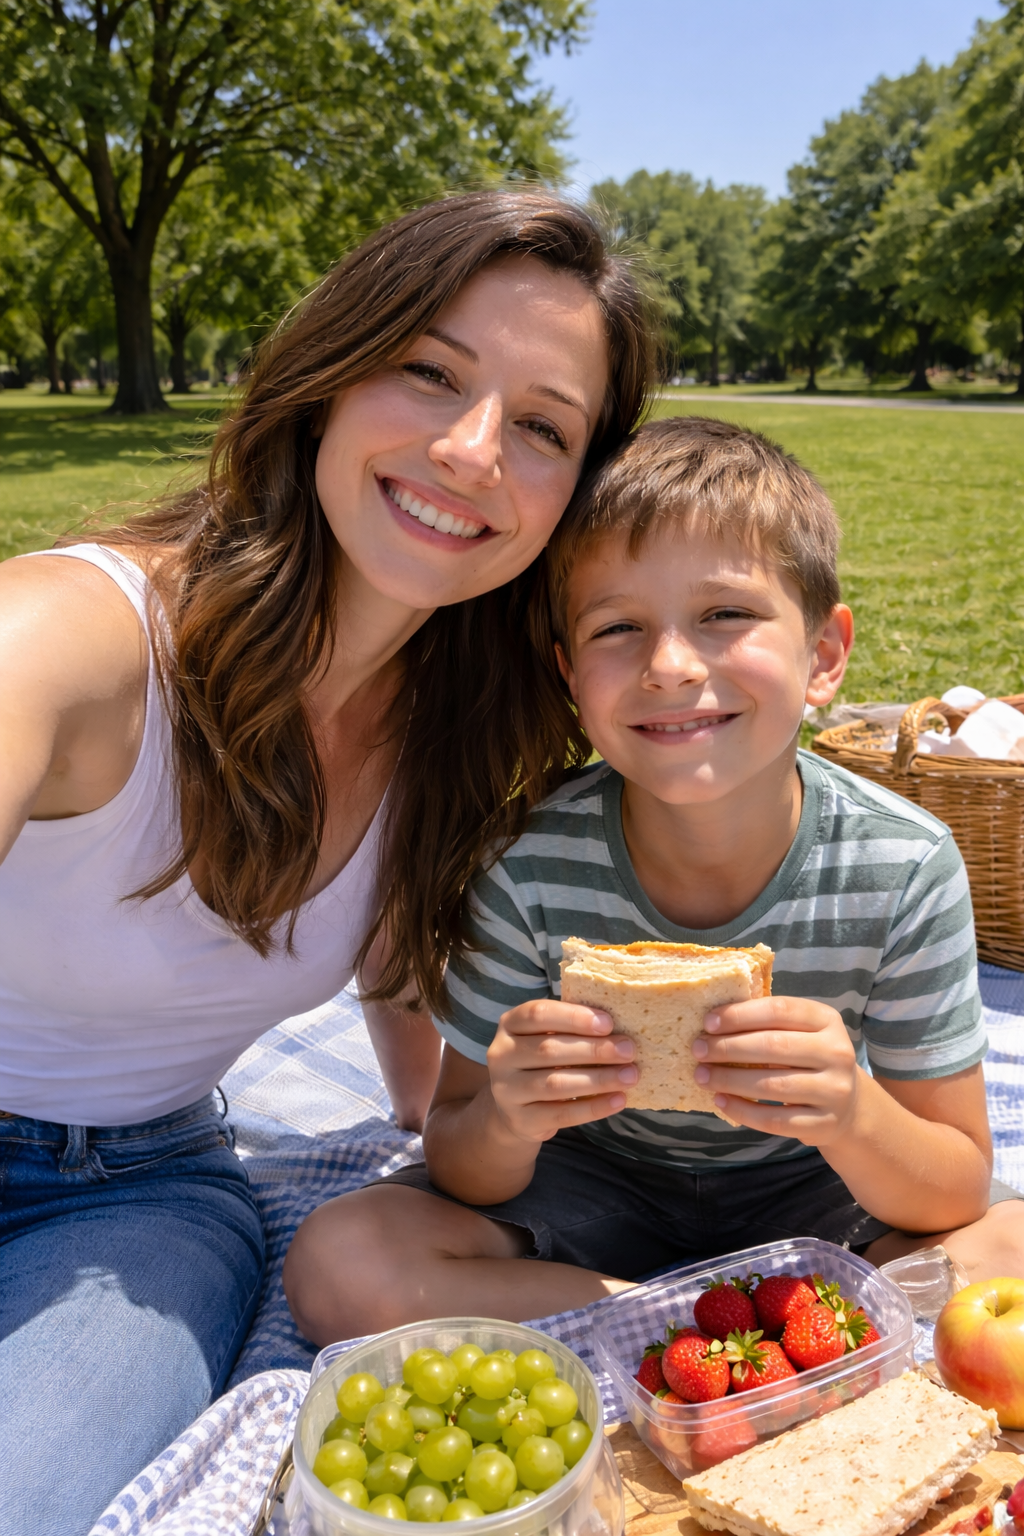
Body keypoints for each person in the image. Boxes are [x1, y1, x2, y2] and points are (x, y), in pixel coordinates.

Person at [0, 190, 652, 1536]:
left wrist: (474, 1136)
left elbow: (426, 1059)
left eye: (541, 427)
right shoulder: (66, 638)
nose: (474, 452)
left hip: (140, 1200)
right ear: (329, 376)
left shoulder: (455, 744)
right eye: (430, 371)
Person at [285, 414, 1024, 1343]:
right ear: (569, 677)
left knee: (1011, 1251)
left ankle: (714, 1315)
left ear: (824, 656)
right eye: (619, 628)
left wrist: (848, 1111)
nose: (671, 667)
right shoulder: (527, 864)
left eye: (725, 615)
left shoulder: (902, 864)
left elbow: (953, 1175)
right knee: (338, 1262)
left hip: (823, 1199)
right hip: (589, 1193)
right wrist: (511, 1115)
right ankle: (709, 1321)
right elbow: (461, 1153)